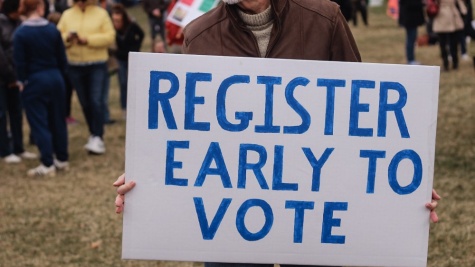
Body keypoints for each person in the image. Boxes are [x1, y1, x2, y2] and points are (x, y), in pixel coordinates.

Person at [114, 0, 440, 266]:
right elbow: (189, 129)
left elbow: (360, 120)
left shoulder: (324, 18)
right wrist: (148, 176)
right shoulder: (200, 35)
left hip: (314, 209)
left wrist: (402, 192)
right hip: (230, 215)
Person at [13, 0, 69, 176]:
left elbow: (19, 63)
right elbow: (62, 58)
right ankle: (61, 157)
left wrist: (21, 81)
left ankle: (47, 162)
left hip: (35, 79)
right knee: (58, 119)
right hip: (55, 77)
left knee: (39, 122)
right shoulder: (52, 29)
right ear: (40, 7)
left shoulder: (21, 33)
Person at [57, 0, 115, 154]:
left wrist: (88, 40)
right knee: (85, 102)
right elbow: (58, 35)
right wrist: (68, 38)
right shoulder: (67, 15)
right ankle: (93, 133)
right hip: (74, 64)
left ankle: (98, 136)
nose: (81, 3)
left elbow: (109, 37)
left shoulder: (101, 14)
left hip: (96, 63)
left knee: (96, 100)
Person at [0, 0, 37, 164]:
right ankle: (5, 151)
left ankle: (18, 147)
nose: (23, 7)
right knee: (1, 115)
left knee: (17, 113)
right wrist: (10, 77)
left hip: (17, 78)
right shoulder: (1, 23)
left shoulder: (20, 23)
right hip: (3, 78)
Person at [110, 3, 144, 119]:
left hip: (132, 58)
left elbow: (141, 34)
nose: (116, 23)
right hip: (120, 59)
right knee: (123, 83)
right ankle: (124, 108)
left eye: (118, 21)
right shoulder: (111, 29)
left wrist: (136, 47)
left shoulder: (131, 26)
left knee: (134, 83)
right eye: (114, 21)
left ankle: (136, 107)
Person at [433, 0, 467, 71]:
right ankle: (452, 63)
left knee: (447, 43)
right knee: (450, 43)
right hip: (448, 14)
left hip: (446, 15)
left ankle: (449, 63)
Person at [398, 0, 425, 65]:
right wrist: (421, 3)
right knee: (411, 39)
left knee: (411, 38)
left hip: (410, 18)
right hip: (410, 19)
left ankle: (411, 58)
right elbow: (410, 4)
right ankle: (410, 59)